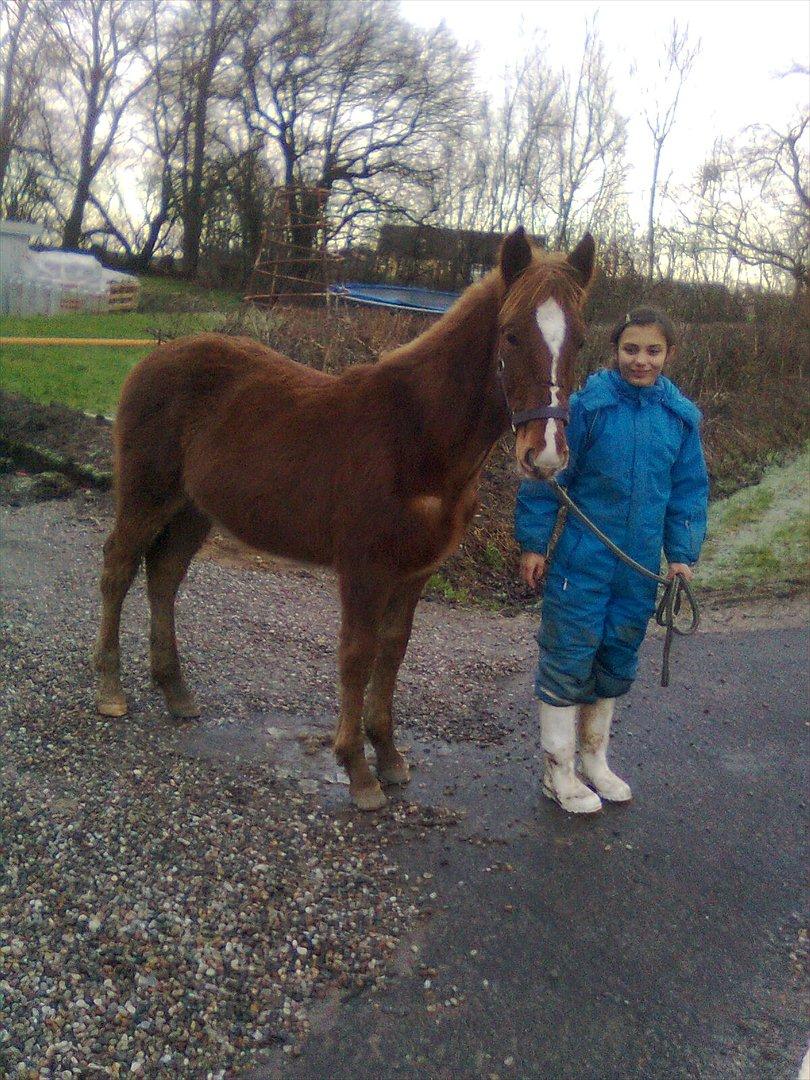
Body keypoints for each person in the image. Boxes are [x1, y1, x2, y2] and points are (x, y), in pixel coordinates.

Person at [515, 305, 709, 814]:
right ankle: (557, 771)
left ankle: (594, 761)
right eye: (630, 349)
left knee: (616, 656)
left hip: (638, 565)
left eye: (652, 350)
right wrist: (534, 543)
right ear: (614, 351)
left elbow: (688, 492)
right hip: (582, 561)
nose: (640, 360)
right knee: (568, 655)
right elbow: (547, 478)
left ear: (669, 355)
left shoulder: (680, 419)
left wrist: (682, 556)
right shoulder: (587, 408)